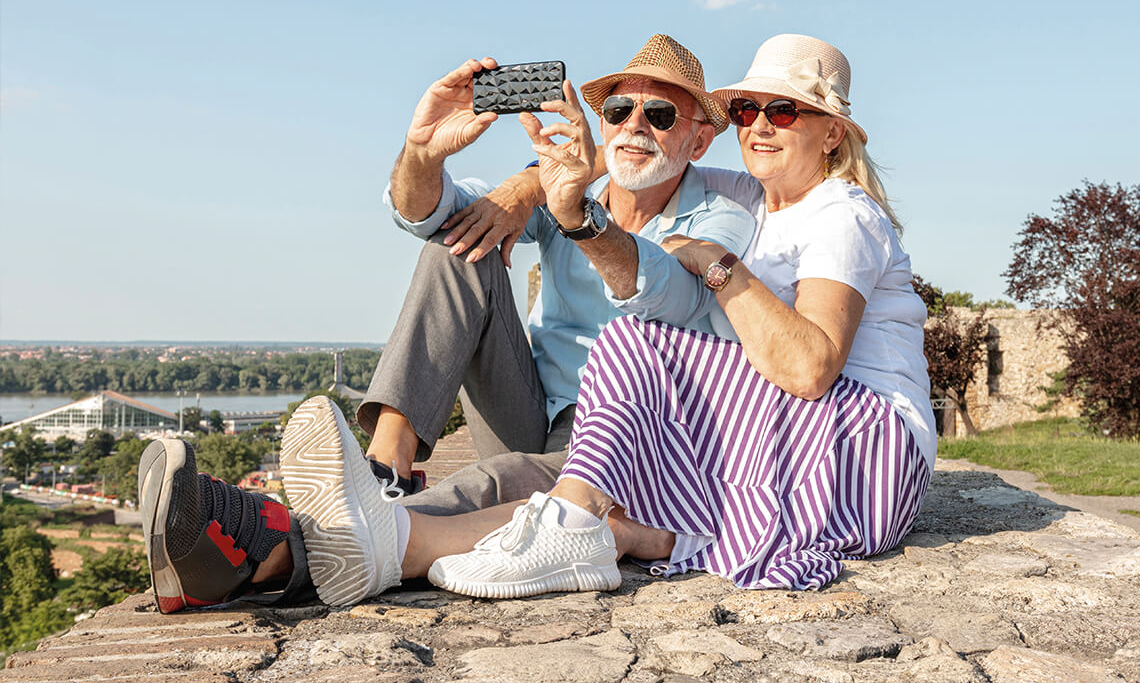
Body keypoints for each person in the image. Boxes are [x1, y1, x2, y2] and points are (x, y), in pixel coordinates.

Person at [138, 34, 757, 611]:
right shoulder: (565, 185)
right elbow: (429, 213)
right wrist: (422, 153)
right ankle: (386, 470)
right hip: (534, 404)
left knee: (500, 480)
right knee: (460, 248)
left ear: (699, 140)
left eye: (662, 116)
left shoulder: (723, 211)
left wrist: (571, 213)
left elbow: (667, 293)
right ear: (602, 121)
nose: (635, 127)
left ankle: (271, 552)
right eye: (621, 110)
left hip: (627, 439)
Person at [425, 34, 936, 597]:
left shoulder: (840, 214)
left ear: (832, 132)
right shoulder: (751, 195)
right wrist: (527, 186)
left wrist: (718, 264)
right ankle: (393, 537)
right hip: (786, 439)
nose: (759, 126)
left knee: (634, 341)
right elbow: (632, 152)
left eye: (784, 110)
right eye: (747, 110)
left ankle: (564, 524)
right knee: (614, 490)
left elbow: (810, 368)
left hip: (864, 450)